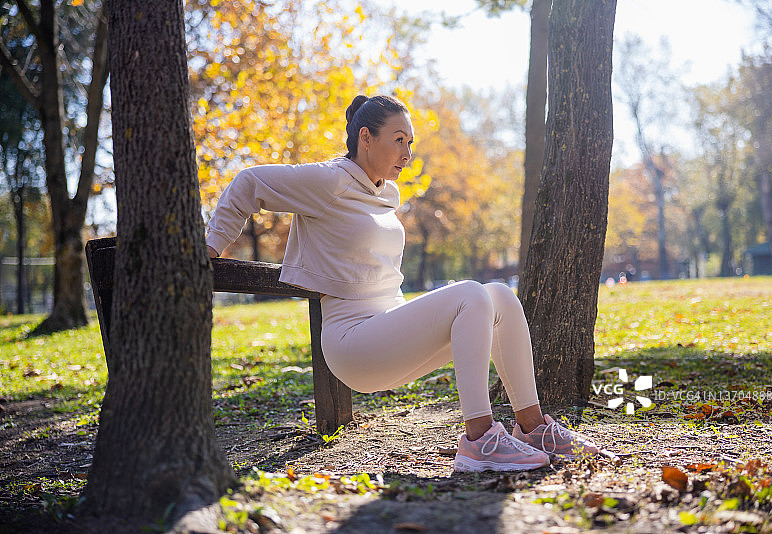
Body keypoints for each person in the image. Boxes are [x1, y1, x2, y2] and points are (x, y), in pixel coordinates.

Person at [205, 95, 600, 472]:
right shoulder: (329, 181)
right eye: (398, 141)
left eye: (409, 143)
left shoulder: (384, 194)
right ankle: (478, 440)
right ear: (366, 138)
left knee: (498, 294)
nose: (407, 155)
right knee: (470, 295)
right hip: (353, 343)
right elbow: (248, 183)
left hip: (389, 333)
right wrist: (211, 245)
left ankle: (534, 429)